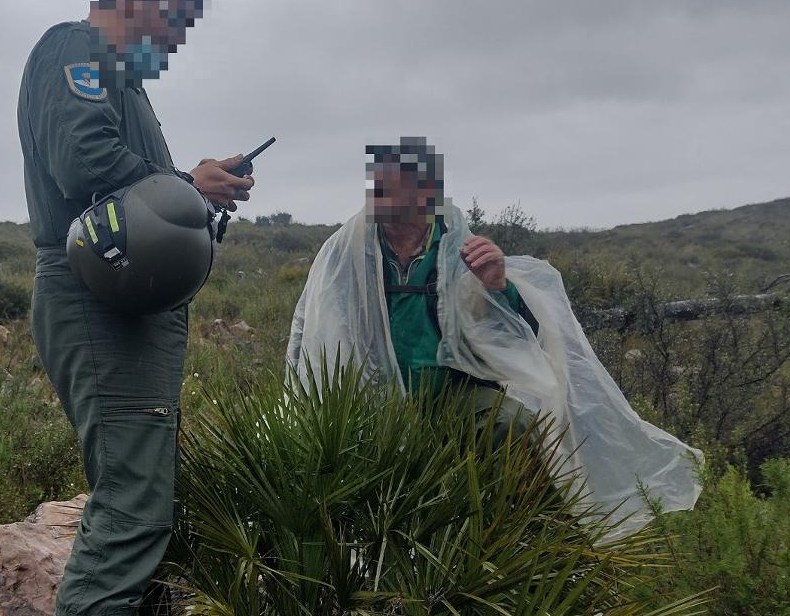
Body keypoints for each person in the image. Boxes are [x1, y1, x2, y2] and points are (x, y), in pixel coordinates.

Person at [17, 0, 254, 616]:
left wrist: (189, 190)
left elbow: (130, 183)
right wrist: (187, 179)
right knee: (132, 507)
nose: (174, 39)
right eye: (173, 20)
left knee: (138, 490)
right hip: (99, 299)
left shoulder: (119, 76)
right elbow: (85, 162)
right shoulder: (76, 46)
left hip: (126, 302)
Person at [286, 138, 702, 536]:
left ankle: (539, 540)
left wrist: (498, 285)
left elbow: (520, 333)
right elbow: (311, 328)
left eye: (389, 187)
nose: (377, 198)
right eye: (376, 187)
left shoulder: (458, 250)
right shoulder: (348, 252)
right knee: (332, 461)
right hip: (367, 395)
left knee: (513, 426)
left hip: (448, 390)